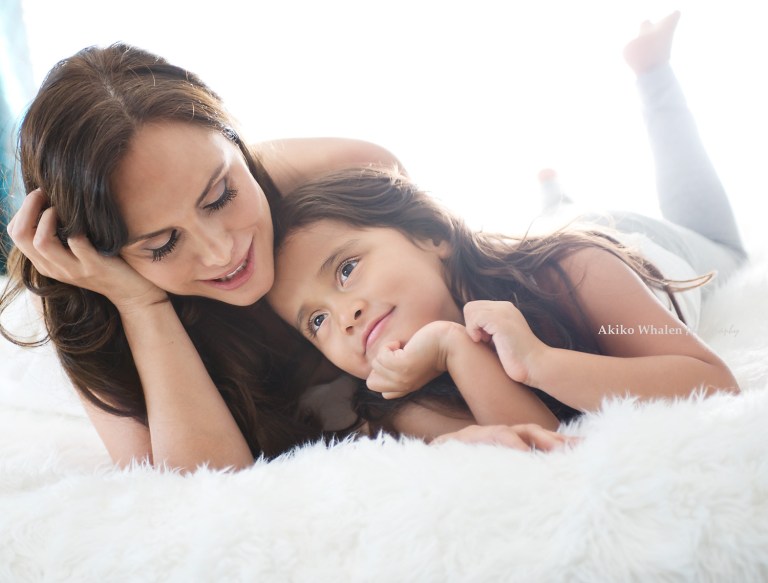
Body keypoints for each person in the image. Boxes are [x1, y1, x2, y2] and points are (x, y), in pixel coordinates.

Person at [0, 40, 569, 471]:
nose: (222, 250)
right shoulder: (88, 305)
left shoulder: (343, 172)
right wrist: (142, 304)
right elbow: (190, 491)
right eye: (163, 244)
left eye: (221, 194)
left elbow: (451, 273)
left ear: (237, 145)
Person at [266, 11, 744, 439]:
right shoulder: (400, 400)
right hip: (530, 248)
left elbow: (713, 383)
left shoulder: (574, 268)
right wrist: (454, 346)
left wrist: (541, 361)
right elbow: (541, 449)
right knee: (556, 214)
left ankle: (652, 74)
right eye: (317, 320)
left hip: (633, 243)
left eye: (346, 270)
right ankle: (554, 195)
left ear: (431, 233)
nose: (343, 318)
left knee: (725, 247)